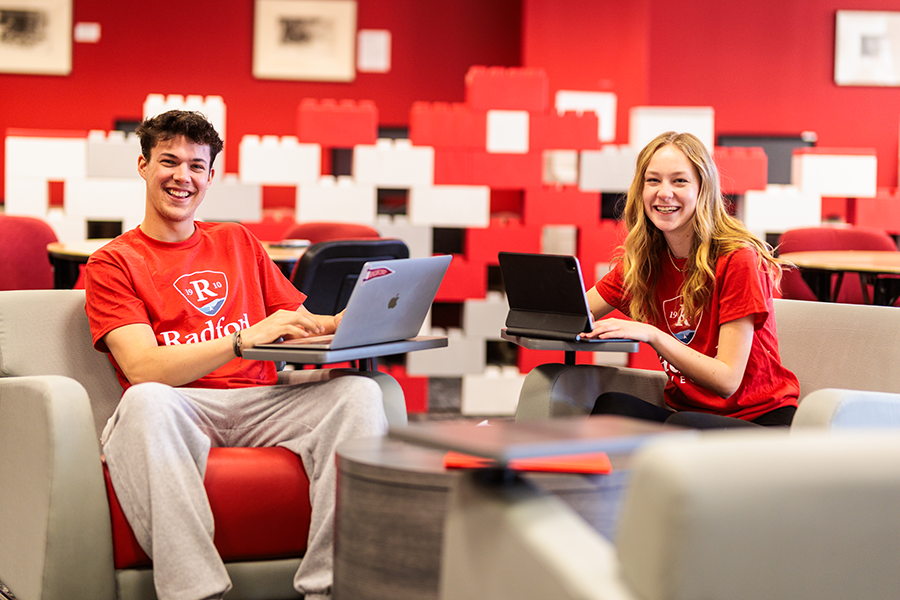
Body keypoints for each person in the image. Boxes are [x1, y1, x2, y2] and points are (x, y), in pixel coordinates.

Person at [84, 109, 388, 600]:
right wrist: (241, 340)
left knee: (358, 394)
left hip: (261, 399)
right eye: (169, 162)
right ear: (142, 166)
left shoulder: (238, 240)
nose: (183, 177)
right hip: (181, 405)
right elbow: (142, 368)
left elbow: (297, 325)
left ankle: (332, 588)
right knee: (144, 403)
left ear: (210, 175)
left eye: (197, 166)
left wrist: (360, 319)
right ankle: (198, 593)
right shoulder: (114, 262)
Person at [584, 131, 799, 428]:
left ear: (703, 189)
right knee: (611, 407)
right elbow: (577, 314)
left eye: (679, 181)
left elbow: (727, 380)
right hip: (689, 417)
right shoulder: (644, 263)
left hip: (760, 422)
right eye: (653, 180)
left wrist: (652, 334)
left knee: (681, 427)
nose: (664, 192)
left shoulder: (738, 259)